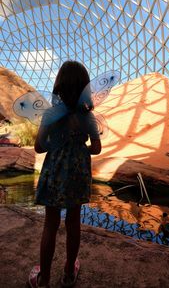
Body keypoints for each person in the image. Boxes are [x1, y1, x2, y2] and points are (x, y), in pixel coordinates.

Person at [28, 61, 101, 288]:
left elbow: (38, 147)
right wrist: (82, 149)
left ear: (58, 85)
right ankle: (69, 273)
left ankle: (44, 280)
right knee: (73, 222)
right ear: (85, 88)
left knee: (50, 223)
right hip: (78, 174)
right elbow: (97, 148)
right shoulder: (88, 116)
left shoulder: (50, 114)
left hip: (55, 172)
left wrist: (56, 146)